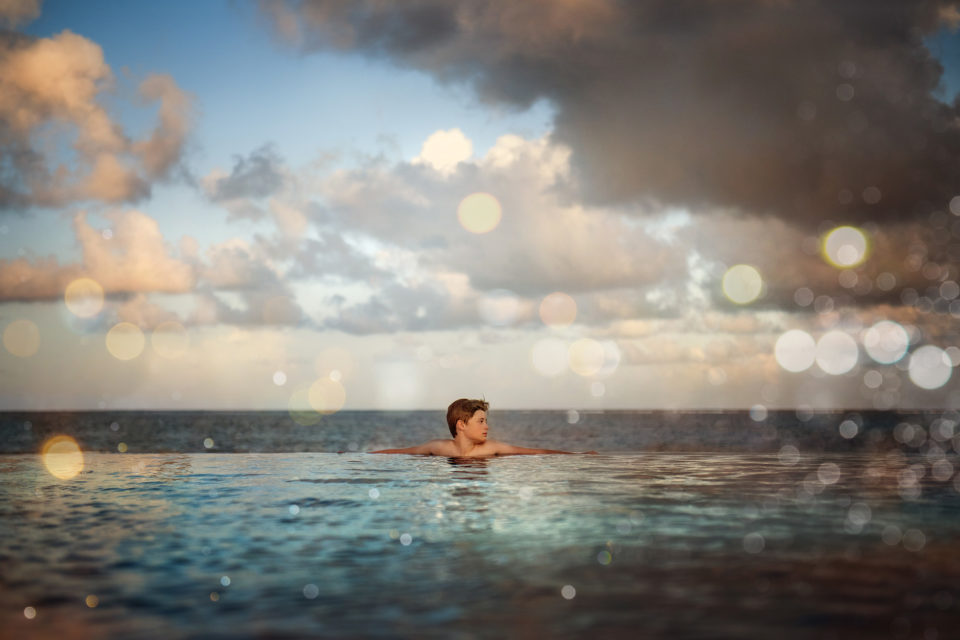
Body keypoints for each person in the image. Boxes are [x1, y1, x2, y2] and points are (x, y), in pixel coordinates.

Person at [371, 398, 594, 457]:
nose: (487, 426)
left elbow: (535, 451)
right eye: (481, 421)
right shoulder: (439, 448)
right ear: (461, 425)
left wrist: (578, 454)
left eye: (486, 421)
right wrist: (364, 455)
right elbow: (403, 451)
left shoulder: (490, 448)